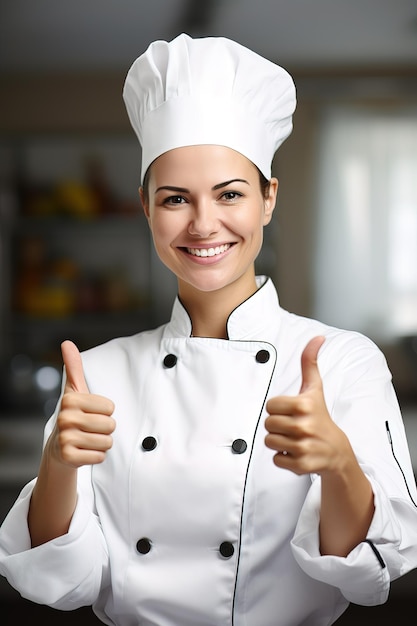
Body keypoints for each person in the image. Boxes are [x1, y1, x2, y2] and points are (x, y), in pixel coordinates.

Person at [1, 33, 417, 626]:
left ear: (268, 199)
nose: (203, 225)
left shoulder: (344, 362)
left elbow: (371, 572)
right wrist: (59, 465)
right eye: (175, 198)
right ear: (146, 207)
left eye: (230, 194)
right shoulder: (96, 373)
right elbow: (59, 584)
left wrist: (339, 463)